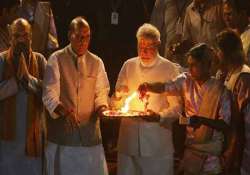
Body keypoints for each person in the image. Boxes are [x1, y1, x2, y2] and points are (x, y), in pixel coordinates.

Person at [138, 43, 231, 174]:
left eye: (194, 65)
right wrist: (147, 86)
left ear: (207, 65)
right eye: (189, 64)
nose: (190, 68)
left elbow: (225, 124)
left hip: (211, 157)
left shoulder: (220, 90)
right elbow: (165, 86)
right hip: (191, 152)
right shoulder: (186, 80)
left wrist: (202, 120)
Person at [42, 16, 110, 175]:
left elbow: (101, 92)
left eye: (87, 37)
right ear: (69, 36)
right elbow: (49, 93)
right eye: (79, 37)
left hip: (90, 138)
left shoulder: (97, 62)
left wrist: (102, 108)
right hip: (63, 138)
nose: (83, 41)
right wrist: (64, 112)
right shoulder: (56, 59)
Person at [111, 23, 181, 175]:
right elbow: (115, 105)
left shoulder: (169, 69)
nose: (144, 51)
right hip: (128, 143)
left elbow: (177, 108)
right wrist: (117, 96)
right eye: (141, 46)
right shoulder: (128, 65)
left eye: (149, 47)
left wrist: (159, 116)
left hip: (157, 144)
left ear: (158, 45)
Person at [0, 18, 47, 175]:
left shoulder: (40, 60)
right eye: (16, 35)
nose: (21, 40)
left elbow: (49, 94)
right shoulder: (1, 60)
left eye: (25, 35)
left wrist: (29, 80)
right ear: (10, 37)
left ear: (31, 37)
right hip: (6, 140)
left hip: (32, 137)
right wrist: (14, 83)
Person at [215, 29, 250, 175]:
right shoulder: (228, 74)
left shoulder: (244, 77)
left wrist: (232, 153)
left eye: (218, 51)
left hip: (242, 148)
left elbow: (240, 123)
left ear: (224, 53)